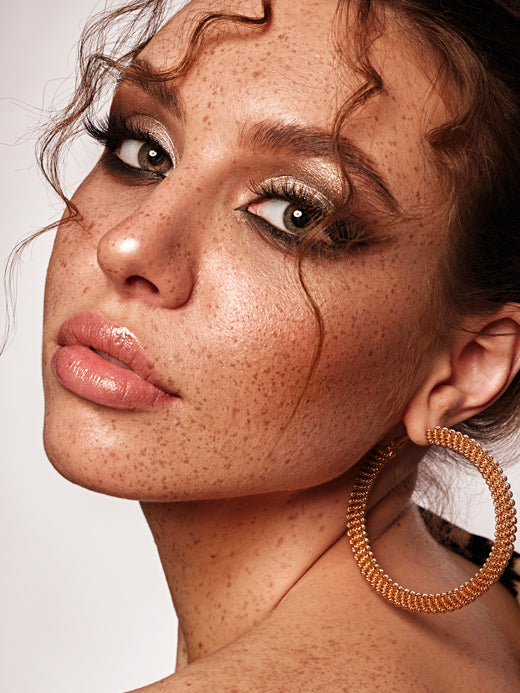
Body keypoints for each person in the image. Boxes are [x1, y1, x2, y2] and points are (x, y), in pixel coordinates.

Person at [36, 0, 520, 689]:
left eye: (292, 213)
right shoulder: (480, 605)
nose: (128, 244)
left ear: (467, 367)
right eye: (144, 149)